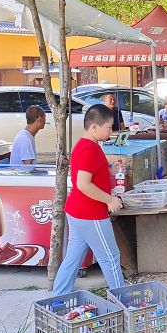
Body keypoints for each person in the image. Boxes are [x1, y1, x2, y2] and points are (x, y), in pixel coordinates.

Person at [52, 103, 126, 296]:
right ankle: (125, 303)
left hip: (77, 212)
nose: (110, 132)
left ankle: (58, 298)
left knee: (72, 259)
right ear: (94, 127)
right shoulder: (90, 149)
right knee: (111, 258)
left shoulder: (84, 146)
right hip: (90, 214)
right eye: (108, 127)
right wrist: (109, 199)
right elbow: (83, 184)